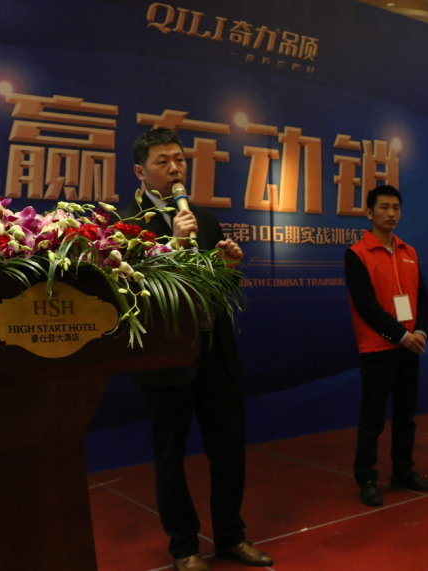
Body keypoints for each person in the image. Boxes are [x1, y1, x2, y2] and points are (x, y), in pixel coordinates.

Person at [116, 128, 272, 571]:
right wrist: (175, 244)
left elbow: (216, 290)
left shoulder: (204, 219)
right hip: (164, 360)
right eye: (163, 161)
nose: (175, 169)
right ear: (140, 171)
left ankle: (231, 536)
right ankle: (184, 546)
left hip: (215, 352)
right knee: (170, 458)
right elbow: (135, 292)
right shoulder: (126, 224)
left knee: (229, 451)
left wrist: (227, 267)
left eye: (179, 160)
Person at [344, 184, 428, 507]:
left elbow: (423, 298)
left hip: (410, 347)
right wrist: (401, 335)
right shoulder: (357, 254)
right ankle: (367, 478)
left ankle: (403, 471)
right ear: (369, 213)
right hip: (378, 350)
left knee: (405, 417)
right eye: (384, 207)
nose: (391, 213)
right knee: (372, 419)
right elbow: (366, 306)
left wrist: (420, 331)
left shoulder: (409, 251)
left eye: (396, 207)